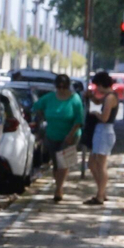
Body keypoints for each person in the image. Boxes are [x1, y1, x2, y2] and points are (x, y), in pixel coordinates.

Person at [30, 74, 85, 202]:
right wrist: (41, 117)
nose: (61, 89)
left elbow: (79, 119)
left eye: (64, 87)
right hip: (52, 135)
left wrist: (70, 135)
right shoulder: (49, 98)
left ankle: (58, 189)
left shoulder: (74, 99)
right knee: (56, 165)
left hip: (71, 135)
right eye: (59, 87)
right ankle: (58, 185)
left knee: (63, 163)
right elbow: (36, 107)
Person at [84, 71, 121, 205]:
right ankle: (102, 191)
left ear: (101, 84)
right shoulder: (107, 97)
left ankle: (100, 195)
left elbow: (105, 117)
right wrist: (91, 97)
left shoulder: (110, 97)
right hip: (101, 132)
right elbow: (98, 100)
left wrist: (95, 113)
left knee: (100, 164)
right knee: (92, 164)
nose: (96, 89)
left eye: (97, 86)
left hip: (105, 131)